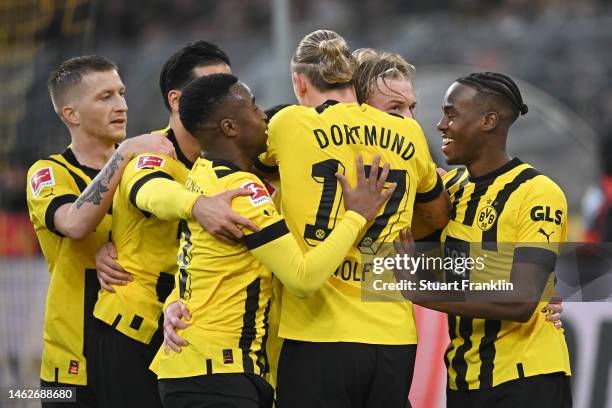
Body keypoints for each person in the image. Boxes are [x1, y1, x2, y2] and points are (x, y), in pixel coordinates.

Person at [150, 73, 395, 407]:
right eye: (253, 107)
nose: (263, 115)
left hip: (210, 368)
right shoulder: (242, 191)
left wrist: (175, 299)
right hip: (217, 372)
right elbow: (302, 277)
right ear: (229, 128)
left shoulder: (205, 174)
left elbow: (204, 261)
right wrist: (357, 216)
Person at [253, 30, 450, 408]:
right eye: (397, 106)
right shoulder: (410, 135)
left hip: (318, 332)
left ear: (298, 81)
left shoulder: (290, 124)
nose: (407, 115)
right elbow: (438, 213)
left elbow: (244, 166)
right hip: (393, 335)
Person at [89, 42, 259, 408]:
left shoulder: (227, 157)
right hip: (133, 331)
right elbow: (149, 191)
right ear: (178, 100)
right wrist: (197, 206)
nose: (225, 96)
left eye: (230, 86)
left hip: (188, 332)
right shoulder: (152, 150)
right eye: (212, 86)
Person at [396, 72, 572, 407]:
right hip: (464, 378)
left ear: (488, 121)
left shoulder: (537, 193)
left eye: (451, 114)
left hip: (525, 378)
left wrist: (422, 291)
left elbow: (521, 300)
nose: (441, 125)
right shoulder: (450, 191)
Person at [26, 55, 176, 407]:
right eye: (104, 97)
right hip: (71, 363)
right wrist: (122, 155)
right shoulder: (48, 172)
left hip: (142, 349)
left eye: (121, 93)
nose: (121, 105)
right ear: (71, 115)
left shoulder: (145, 167)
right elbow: (75, 224)